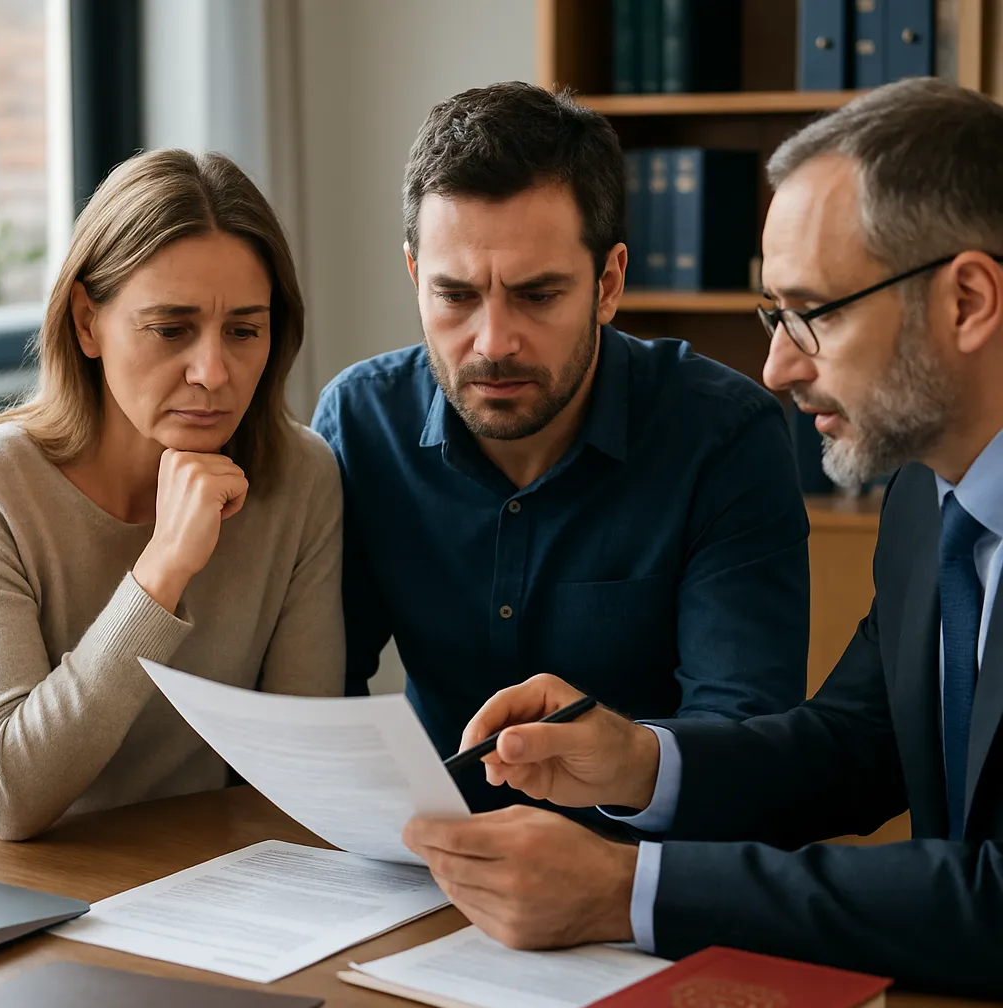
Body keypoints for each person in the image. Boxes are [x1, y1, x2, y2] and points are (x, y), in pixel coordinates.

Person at [402, 78, 1003, 999]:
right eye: (774, 315)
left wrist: (630, 889)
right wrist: (637, 762)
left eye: (815, 312)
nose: (777, 365)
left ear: (967, 301)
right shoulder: (931, 497)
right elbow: (854, 749)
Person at [312, 82, 810, 819]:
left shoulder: (724, 436)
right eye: (454, 296)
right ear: (416, 276)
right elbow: (320, 699)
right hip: (427, 869)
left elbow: (740, 744)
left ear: (607, 285)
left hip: (641, 879)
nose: (492, 343)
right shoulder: (361, 420)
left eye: (537, 295)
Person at [0, 149, 344, 841]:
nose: (213, 372)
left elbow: (301, 771)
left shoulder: (299, 476)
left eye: (244, 331)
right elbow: (6, 797)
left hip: (207, 887)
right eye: (171, 329)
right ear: (88, 322)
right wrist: (163, 570)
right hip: (30, 896)